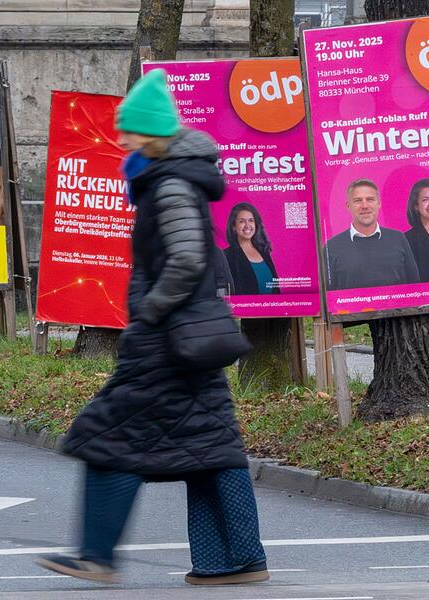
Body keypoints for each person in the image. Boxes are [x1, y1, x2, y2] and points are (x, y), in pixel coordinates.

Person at [35, 69, 268, 586]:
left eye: (129, 130)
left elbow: (185, 260)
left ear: (151, 133)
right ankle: (236, 558)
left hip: (166, 341)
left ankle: (96, 556)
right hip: (190, 340)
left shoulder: (168, 185)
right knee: (212, 445)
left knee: (107, 437)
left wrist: (151, 312)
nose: (121, 139)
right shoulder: (172, 178)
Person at [325, 179, 419, 290]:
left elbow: (415, 286)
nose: (364, 205)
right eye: (357, 200)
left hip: (397, 308)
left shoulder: (398, 238)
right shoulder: (331, 247)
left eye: (370, 199)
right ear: (348, 206)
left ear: (379, 203)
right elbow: (328, 296)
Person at [224, 202, 279, 295]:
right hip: (245, 309)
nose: (247, 225)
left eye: (251, 220)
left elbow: (275, 287)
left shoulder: (264, 251)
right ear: (233, 226)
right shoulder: (227, 255)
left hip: (272, 307)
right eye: (242, 221)